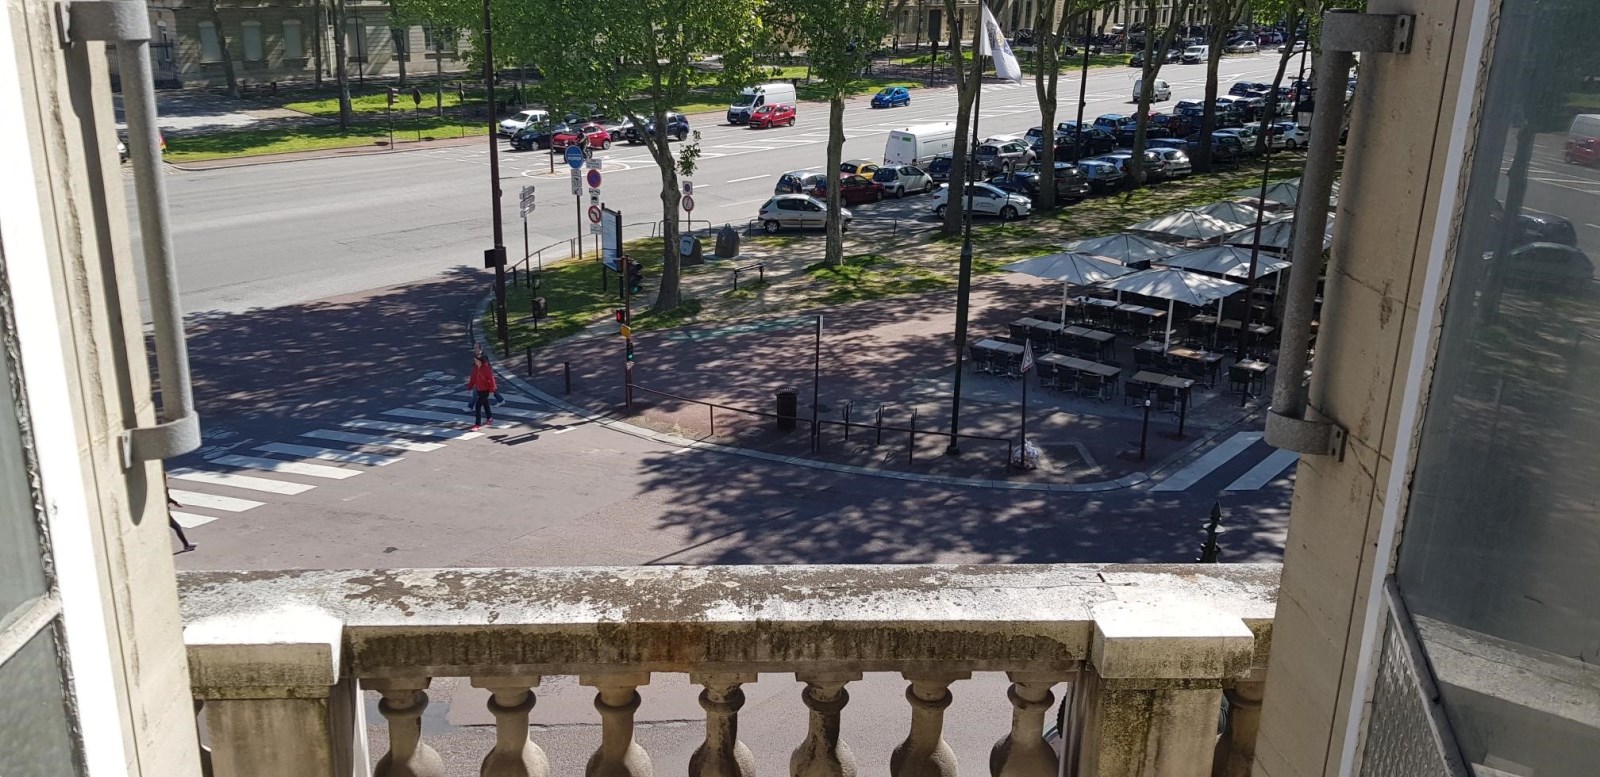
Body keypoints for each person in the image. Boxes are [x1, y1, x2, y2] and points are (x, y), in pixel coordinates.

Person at [164, 475, 196, 552]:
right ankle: (186, 545)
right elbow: (166, 498)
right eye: (167, 477)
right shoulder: (164, 488)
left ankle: (186, 545)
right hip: (163, 512)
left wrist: (175, 503)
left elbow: (167, 498)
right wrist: (175, 503)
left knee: (176, 527)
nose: (168, 478)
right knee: (177, 527)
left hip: (162, 511)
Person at [466, 352, 498, 430]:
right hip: (479, 389)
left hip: (486, 390)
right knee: (485, 404)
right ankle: (489, 418)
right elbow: (473, 379)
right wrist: (469, 387)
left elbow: (491, 379)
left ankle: (477, 424)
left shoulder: (486, 369)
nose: (475, 361)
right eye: (474, 360)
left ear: (480, 361)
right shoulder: (475, 368)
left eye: (476, 360)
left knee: (478, 406)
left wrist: (492, 389)